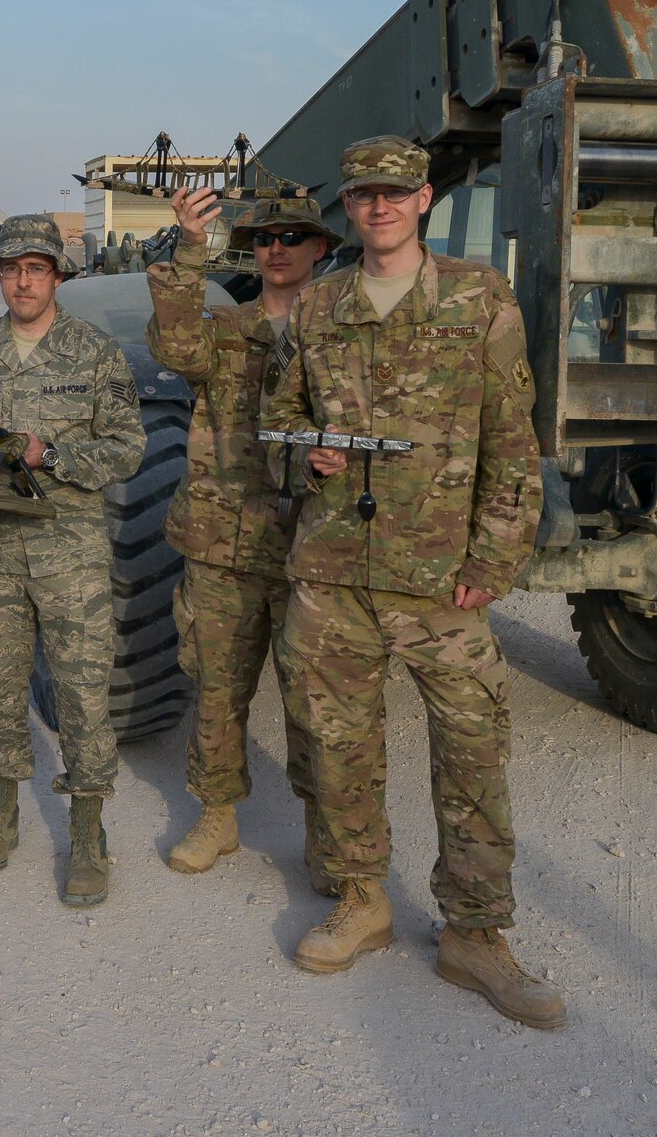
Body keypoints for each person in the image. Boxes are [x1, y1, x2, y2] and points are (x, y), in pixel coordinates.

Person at [264, 135, 563, 1029]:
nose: (380, 206)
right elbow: (280, 421)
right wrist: (302, 456)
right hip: (334, 572)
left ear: (424, 197)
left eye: (395, 192)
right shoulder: (317, 307)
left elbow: (514, 435)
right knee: (338, 746)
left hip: (437, 578)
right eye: (363, 194)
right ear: (346, 207)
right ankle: (363, 899)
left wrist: (493, 559)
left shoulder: (478, 298)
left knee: (472, 748)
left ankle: (476, 933)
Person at [0, 214, 145, 906]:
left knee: (83, 695)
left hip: (71, 555)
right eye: (12, 268)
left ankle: (88, 829)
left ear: (57, 276)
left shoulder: (94, 352)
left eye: (37, 268)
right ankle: (1, 809)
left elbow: (126, 449)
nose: (23, 280)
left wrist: (48, 454)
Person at [147, 190, 338, 881]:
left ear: (320, 247)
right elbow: (172, 340)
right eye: (263, 239)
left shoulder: (346, 334)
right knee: (218, 688)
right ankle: (217, 815)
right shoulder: (227, 329)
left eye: (292, 236)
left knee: (315, 698)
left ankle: (327, 834)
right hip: (223, 542)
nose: (276, 248)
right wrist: (190, 245)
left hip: (314, 546)